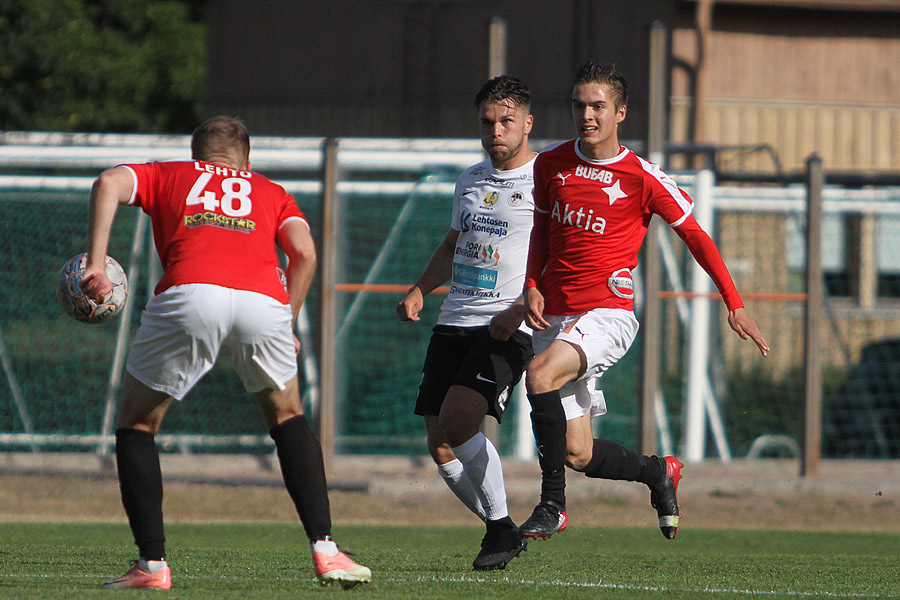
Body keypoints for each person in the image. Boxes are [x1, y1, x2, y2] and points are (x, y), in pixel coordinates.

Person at [80, 116, 371, 590]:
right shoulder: (270, 190)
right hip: (263, 300)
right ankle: (327, 550)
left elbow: (108, 181)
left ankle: (152, 566)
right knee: (288, 416)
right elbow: (305, 253)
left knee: (136, 424)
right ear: (247, 161)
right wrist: (287, 320)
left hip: (191, 291)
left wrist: (96, 262)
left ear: (198, 156)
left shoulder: (172, 174)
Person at [519, 62, 770, 541]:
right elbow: (540, 232)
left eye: (597, 106)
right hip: (556, 316)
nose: (587, 115)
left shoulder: (642, 176)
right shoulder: (551, 165)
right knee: (579, 454)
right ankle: (658, 472)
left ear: (620, 113)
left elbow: (696, 236)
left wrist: (733, 302)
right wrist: (532, 282)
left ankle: (552, 506)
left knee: (539, 375)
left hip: (608, 315)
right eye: (579, 105)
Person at [396, 75, 536, 570]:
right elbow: (454, 245)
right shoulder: (471, 179)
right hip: (454, 319)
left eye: (506, 120)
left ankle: (500, 532)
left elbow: (562, 258)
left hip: (506, 326)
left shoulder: (546, 181)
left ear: (527, 124)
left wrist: (522, 307)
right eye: (487, 121)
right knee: (439, 444)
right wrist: (419, 288)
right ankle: (502, 528)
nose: (496, 129)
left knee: (459, 423)